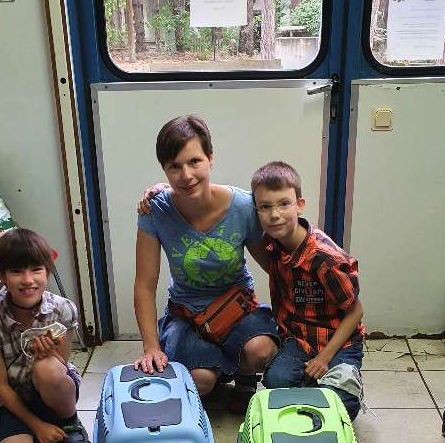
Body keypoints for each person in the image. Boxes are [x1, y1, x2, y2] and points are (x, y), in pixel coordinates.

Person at [133, 115, 279, 413]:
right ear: (164, 170)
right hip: (187, 314)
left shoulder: (243, 206)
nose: (186, 175)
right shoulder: (155, 211)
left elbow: (274, 267)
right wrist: (150, 347)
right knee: (200, 380)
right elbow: (144, 286)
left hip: (237, 307)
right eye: (174, 166)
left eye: (194, 161)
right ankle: (213, 374)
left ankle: (244, 376)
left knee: (261, 350)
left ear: (210, 158)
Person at [251, 161, 365, 420]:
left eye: (284, 204)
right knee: (276, 383)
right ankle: (313, 382)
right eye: (265, 207)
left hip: (340, 341)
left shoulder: (325, 259)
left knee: (342, 404)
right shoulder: (273, 245)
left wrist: (324, 358)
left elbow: (356, 311)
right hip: (300, 339)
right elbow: (228, 202)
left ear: (300, 205)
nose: (274, 214)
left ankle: (340, 378)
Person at [0, 228, 90, 443]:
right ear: (1, 275)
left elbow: (62, 365)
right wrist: (36, 425)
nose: (28, 280)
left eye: (36, 269)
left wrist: (48, 355)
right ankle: (35, 427)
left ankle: (70, 422)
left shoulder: (63, 309)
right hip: (13, 400)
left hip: (53, 391)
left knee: (47, 367)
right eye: (16, 271)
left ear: (47, 271)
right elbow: (0, 386)